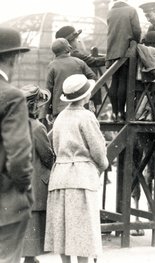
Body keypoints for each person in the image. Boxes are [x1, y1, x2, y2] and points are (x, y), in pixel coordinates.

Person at [44, 74, 109, 263]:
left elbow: (55, 146)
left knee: (63, 229)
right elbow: (97, 150)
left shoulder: (60, 118)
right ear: (85, 96)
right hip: (81, 178)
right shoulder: (87, 117)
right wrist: (103, 164)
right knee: (83, 231)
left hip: (60, 177)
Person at [0, 27, 34, 263]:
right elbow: (19, 156)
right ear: (13, 57)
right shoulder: (12, 96)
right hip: (6, 203)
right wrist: (25, 190)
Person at [20, 85, 55, 263]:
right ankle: (29, 258)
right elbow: (47, 156)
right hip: (34, 184)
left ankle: (27, 257)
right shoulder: (37, 128)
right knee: (33, 222)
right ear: (34, 106)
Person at [106, 0, 141, 122]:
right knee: (124, 82)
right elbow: (136, 30)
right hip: (126, 51)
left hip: (112, 52)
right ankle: (121, 112)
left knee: (114, 81)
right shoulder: (131, 10)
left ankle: (114, 113)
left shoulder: (110, 12)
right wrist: (135, 43)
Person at [45, 38, 98, 124]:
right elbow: (94, 79)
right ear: (68, 48)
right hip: (80, 107)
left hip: (59, 110)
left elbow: (48, 89)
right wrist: (88, 98)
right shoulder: (79, 62)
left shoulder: (52, 65)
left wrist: (47, 111)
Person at [55, 25, 105, 108]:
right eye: (75, 39)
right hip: (75, 96)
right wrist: (110, 58)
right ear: (70, 42)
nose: (78, 41)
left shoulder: (57, 59)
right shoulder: (74, 55)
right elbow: (93, 61)